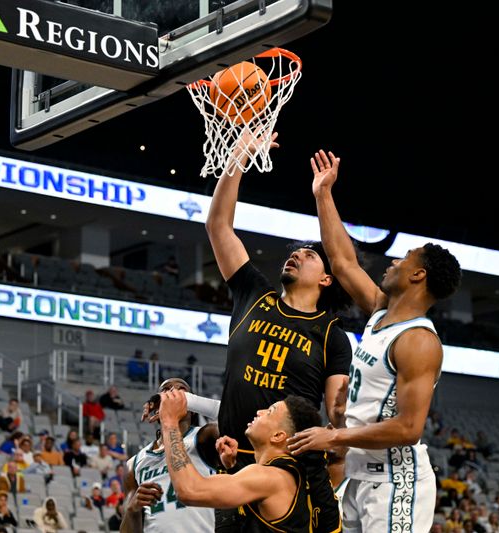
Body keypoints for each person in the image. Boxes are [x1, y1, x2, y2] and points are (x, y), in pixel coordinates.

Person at [287, 150, 463, 532]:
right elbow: (343, 261)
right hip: (358, 472)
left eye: (401, 260)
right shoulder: (382, 312)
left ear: (418, 275)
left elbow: (408, 428)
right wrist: (323, 195)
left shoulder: (418, 341)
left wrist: (335, 433)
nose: (392, 263)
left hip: (396, 482)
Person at [204, 132, 352, 533]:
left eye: (308, 255)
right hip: (233, 458)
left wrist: (335, 463)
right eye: (295, 251)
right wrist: (237, 158)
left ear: (325, 279)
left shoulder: (332, 335)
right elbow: (219, 226)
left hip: (286, 468)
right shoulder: (254, 294)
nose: (296, 254)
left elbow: (337, 414)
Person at [159, 387, 320, 533]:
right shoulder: (282, 475)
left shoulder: (271, 477)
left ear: (278, 436)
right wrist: (232, 468)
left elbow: (189, 490)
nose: (259, 412)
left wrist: (170, 422)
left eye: (269, 411)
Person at [121, 378, 219, 533]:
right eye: (166, 389)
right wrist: (133, 510)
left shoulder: (205, 436)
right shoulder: (133, 464)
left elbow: (237, 417)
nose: (173, 392)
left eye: (181, 390)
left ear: (192, 407)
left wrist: (190, 400)